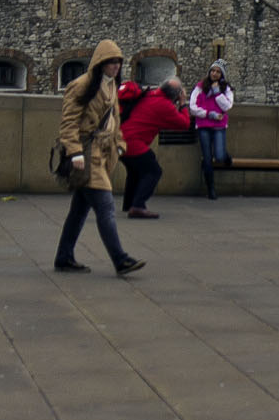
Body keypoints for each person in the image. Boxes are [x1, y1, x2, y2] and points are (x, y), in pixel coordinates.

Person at [53, 39, 144, 276]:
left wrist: (120, 145)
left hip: (102, 152)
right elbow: (69, 122)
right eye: (111, 62)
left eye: (118, 62)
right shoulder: (81, 85)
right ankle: (120, 259)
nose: (115, 66)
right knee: (106, 206)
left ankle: (64, 257)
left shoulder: (112, 85)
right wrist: (74, 152)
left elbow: (115, 119)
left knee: (79, 210)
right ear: (100, 63)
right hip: (87, 153)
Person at [120, 77, 190, 219]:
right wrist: (183, 104)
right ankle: (138, 206)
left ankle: (129, 204)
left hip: (120, 140)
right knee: (153, 171)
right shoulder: (165, 105)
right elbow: (184, 124)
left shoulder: (148, 94)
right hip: (134, 143)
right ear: (176, 95)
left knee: (134, 171)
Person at [191, 60, 236, 200]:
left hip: (219, 126)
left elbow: (227, 106)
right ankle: (211, 188)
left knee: (219, 156)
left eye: (218, 72)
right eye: (213, 71)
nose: (214, 74)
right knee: (207, 158)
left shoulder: (226, 88)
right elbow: (193, 107)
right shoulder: (200, 87)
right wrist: (208, 114)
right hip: (204, 125)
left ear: (222, 74)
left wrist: (217, 93)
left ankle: (225, 156)